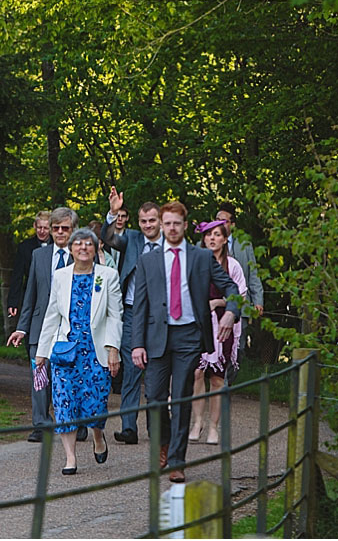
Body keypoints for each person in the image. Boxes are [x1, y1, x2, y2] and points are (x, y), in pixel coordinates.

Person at [130, 200, 240, 483]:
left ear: (185, 225)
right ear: (162, 225)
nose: (171, 228)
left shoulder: (201, 258)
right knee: (154, 397)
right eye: (166, 223)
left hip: (189, 335)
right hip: (156, 336)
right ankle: (163, 444)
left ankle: (177, 460)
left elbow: (232, 288)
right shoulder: (148, 260)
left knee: (180, 397)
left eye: (176, 223)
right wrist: (137, 344)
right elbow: (140, 305)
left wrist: (230, 312)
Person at [35, 228, 122, 475]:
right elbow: (52, 315)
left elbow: (116, 316)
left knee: (95, 405)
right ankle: (70, 458)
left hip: (96, 351)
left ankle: (98, 436)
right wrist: (43, 351)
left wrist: (113, 349)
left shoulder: (108, 276)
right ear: (71, 249)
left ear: (95, 249)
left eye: (88, 244)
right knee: (64, 404)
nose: (83, 248)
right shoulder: (60, 276)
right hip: (66, 351)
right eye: (78, 244)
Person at [8, 207, 87, 443]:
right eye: (56, 228)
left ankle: (76, 423)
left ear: (73, 230)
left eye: (65, 228)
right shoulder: (39, 256)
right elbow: (30, 293)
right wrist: (22, 327)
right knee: (39, 378)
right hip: (40, 328)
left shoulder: (82, 255)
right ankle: (41, 424)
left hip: (72, 329)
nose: (60, 233)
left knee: (72, 378)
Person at [100, 188, 163, 445]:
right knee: (130, 373)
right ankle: (129, 427)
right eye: (143, 221)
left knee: (157, 373)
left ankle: (157, 428)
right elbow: (108, 238)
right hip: (131, 312)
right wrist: (113, 213)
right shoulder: (134, 240)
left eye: (152, 221)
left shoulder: (171, 245)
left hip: (159, 316)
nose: (147, 225)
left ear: (160, 221)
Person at [188, 220, 248, 445]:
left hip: (223, 324)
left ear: (224, 239)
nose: (212, 239)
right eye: (208, 235)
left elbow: (240, 295)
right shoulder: (196, 262)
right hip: (199, 324)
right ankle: (197, 421)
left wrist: (219, 302)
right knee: (196, 373)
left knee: (217, 378)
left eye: (217, 235)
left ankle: (213, 426)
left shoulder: (232, 265)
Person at [215, 203, 264, 383]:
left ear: (232, 225)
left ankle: (226, 381)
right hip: (214, 305)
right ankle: (218, 385)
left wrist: (258, 300)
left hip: (240, 305)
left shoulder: (245, 246)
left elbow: (253, 275)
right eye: (217, 220)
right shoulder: (206, 243)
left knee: (238, 348)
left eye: (224, 221)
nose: (219, 224)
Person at [7, 211, 52, 319]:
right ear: (34, 226)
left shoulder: (58, 246)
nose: (42, 231)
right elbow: (17, 276)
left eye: (45, 228)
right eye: (39, 227)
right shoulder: (25, 247)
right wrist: (13, 301)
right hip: (31, 296)